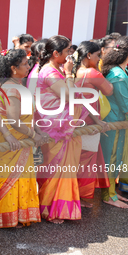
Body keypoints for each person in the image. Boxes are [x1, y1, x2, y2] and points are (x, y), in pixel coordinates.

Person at [0, 49, 44, 228]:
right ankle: (6, 217)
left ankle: (17, 215)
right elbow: (14, 121)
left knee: (19, 177)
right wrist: (35, 136)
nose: (29, 67)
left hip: (18, 136)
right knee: (9, 178)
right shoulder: (12, 89)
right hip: (9, 138)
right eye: (25, 64)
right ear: (13, 68)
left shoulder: (16, 85)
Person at [36, 35, 89, 224]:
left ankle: (58, 207)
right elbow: (69, 96)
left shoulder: (54, 69)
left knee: (62, 168)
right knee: (56, 168)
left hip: (63, 126)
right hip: (55, 127)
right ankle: (51, 209)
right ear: (55, 53)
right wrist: (68, 74)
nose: (71, 55)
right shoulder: (50, 72)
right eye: (67, 51)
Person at [72, 41, 113, 207]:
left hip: (77, 118)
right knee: (87, 159)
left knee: (78, 158)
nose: (99, 59)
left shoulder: (76, 71)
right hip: (90, 120)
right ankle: (83, 197)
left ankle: (75, 194)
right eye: (97, 56)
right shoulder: (91, 72)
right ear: (89, 55)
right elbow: (109, 90)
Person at [101, 36, 128, 208]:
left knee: (113, 158)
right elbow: (125, 104)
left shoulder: (116, 71)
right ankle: (109, 195)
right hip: (116, 121)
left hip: (115, 121)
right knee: (112, 158)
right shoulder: (119, 75)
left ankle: (112, 193)